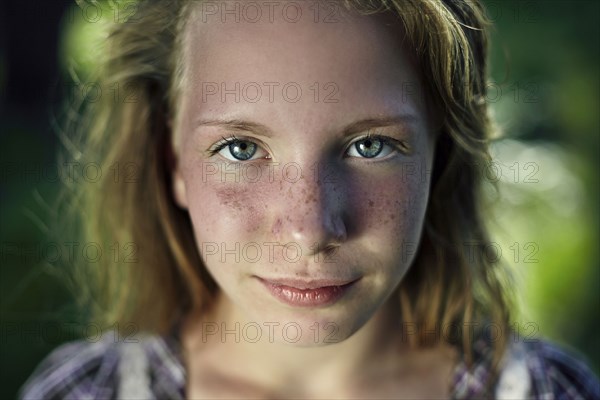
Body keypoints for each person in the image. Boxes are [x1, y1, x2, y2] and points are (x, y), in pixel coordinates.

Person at [19, 0, 600, 398]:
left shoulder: (542, 390)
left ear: (439, 153)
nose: (309, 229)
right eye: (241, 148)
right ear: (172, 163)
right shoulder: (87, 392)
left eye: (370, 146)